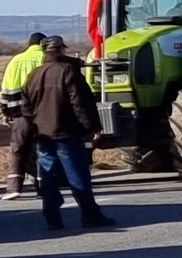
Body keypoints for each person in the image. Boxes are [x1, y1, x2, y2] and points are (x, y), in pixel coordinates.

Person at [20, 36, 113, 230]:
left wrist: (32, 130)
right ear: (61, 50)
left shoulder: (34, 75)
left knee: (48, 178)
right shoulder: (67, 71)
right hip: (66, 133)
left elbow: (26, 109)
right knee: (78, 175)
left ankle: (52, 218)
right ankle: (90, 216)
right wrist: (93, 127)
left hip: (43, 135)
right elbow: (79, 103)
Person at [0, 31, 47, 199]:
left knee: (18, 149)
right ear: (43, 44)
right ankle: (43, 187)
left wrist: (5, 110)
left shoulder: (15, 61)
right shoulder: (44, 59)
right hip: (42, 112)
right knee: (42, 149)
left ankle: (14, 188)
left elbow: (5, 88)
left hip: (19, 113)